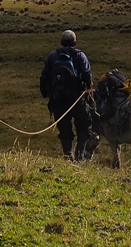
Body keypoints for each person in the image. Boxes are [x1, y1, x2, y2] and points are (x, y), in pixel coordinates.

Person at [39, 30, 93, 161]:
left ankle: (68, 156)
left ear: (61, 42)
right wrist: (88, 89)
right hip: (77, 99)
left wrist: (45, 93)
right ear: (75, 42)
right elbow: (87, 75)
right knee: (84, 126)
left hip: (58, 100)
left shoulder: (52, 56)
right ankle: (79, 156)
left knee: (64, 129)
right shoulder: (80, 55)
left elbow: (44, 75)